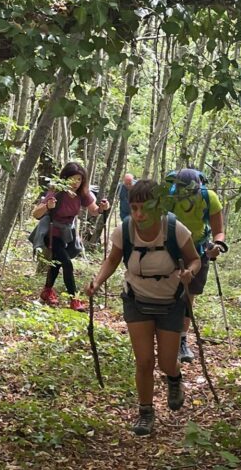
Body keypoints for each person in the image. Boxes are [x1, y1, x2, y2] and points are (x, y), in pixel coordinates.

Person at [85, 179, 201, 435]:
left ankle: (174, 378)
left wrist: (190, 273)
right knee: (144, 361)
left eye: (144, 208)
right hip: (136, 299)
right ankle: (145, 412)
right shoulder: (124, 230)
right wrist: (97, 281)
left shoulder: (175, 229)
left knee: (166, 362)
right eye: (134, 207)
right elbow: (113, 259)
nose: (138, 214)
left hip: (171, 302)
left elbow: (195, 259)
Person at [32, 162, 109, 311]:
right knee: (67, 263)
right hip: (52, 233)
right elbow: (36, 213)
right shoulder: (57, 191)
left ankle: (46, 292)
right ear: (65, 178)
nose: (76, 183)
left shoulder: (83, 194)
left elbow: (94, 210)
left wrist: (102, 208)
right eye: (72, 179)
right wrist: (48, 206)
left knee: (58, 262)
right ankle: (74, 299)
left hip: (68, 234)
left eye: (79, 179)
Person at [167, 168, 226, 363]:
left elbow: (218, 231)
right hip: (171, 248)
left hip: (199, 250)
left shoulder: (208, 197)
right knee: (168, 293)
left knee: (188, 295)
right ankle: (166, 335)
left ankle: (181, 340)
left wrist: (217, 245)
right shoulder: (169, 196)